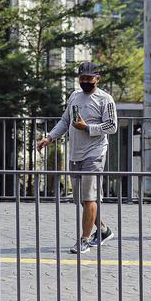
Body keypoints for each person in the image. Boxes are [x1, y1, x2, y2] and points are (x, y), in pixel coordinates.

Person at [37, 62, 118, 254]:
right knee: (82, 199)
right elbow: (66, 121)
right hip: (75, 153)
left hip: (95, 153)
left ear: (97, 79)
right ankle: (104, 230)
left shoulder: (105, 99)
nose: (85, 81)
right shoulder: (74, 96)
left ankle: (84, 240)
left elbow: (112, 126)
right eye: (82, 78)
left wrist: (88, 128)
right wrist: (49, 137)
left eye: (89, 78)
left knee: (90, 198)